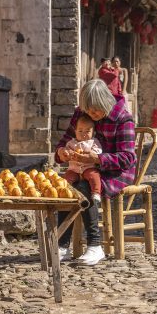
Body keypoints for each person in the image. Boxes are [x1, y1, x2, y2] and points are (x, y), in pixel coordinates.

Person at [55, 79, 136, 265]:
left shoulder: (123, 118)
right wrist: (62, 152)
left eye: (96, 110)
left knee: (83, 187)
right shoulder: (82, 113)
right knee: (65, 188)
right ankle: (62, 245)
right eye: (88, 110)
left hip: (115, 172)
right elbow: (65, 140)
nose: (92, 114)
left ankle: (95, 246)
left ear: (106, 103)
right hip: (82, 168)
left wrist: (98, 159)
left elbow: (128, 158)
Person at [62, 114, 103, 206]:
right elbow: (66, 151)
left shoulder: (93, 142)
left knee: (94, 176)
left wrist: (91, 153)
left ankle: (96, 193)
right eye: (80, 131)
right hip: (74, 169)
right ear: (75, 131)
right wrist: (68, 153)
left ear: (93, 132)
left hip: (88, 168)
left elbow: (98, 151)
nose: (83, 134)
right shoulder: (71, 143)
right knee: (67, 177)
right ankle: (67, 191)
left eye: (87, 131)